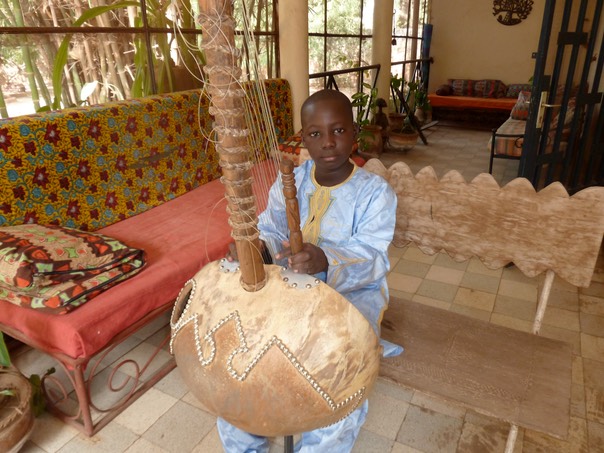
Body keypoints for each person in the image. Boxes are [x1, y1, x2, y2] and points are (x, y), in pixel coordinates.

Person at [219, 89, 400, 452]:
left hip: (350, 298)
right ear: (303, 139)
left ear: (355, 134)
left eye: (338, 130)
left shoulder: (374, 192)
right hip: (288, 293)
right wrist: (255, 249)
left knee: (341, 379)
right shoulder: (294, 179)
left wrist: (326, 260)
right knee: (240, 364)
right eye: (315, 133)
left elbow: (374, 256)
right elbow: (269, 228)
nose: (328, 142)